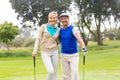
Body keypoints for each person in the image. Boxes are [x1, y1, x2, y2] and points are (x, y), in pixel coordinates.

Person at [32, 11, 59, 80]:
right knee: (50, 71)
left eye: (54, 18)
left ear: (57, 19)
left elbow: (59, 41)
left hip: (55, 51)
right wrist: (35, 50)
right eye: (50, 18)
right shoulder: (43, 27)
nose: (52, 19)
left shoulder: (58, 29)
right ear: (48, 19)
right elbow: (37, 39)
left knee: (54, 72)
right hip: (45, 52)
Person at [59, 13, 87, 80]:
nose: (63, 20)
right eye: (62, 19)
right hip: (63, 55)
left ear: (68, 19)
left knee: (74, 73)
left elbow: (79, 39)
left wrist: (83, 48)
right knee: (65, 75)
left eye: (65, 18)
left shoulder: (73, 28)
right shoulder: (60, 30)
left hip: (73, 55)